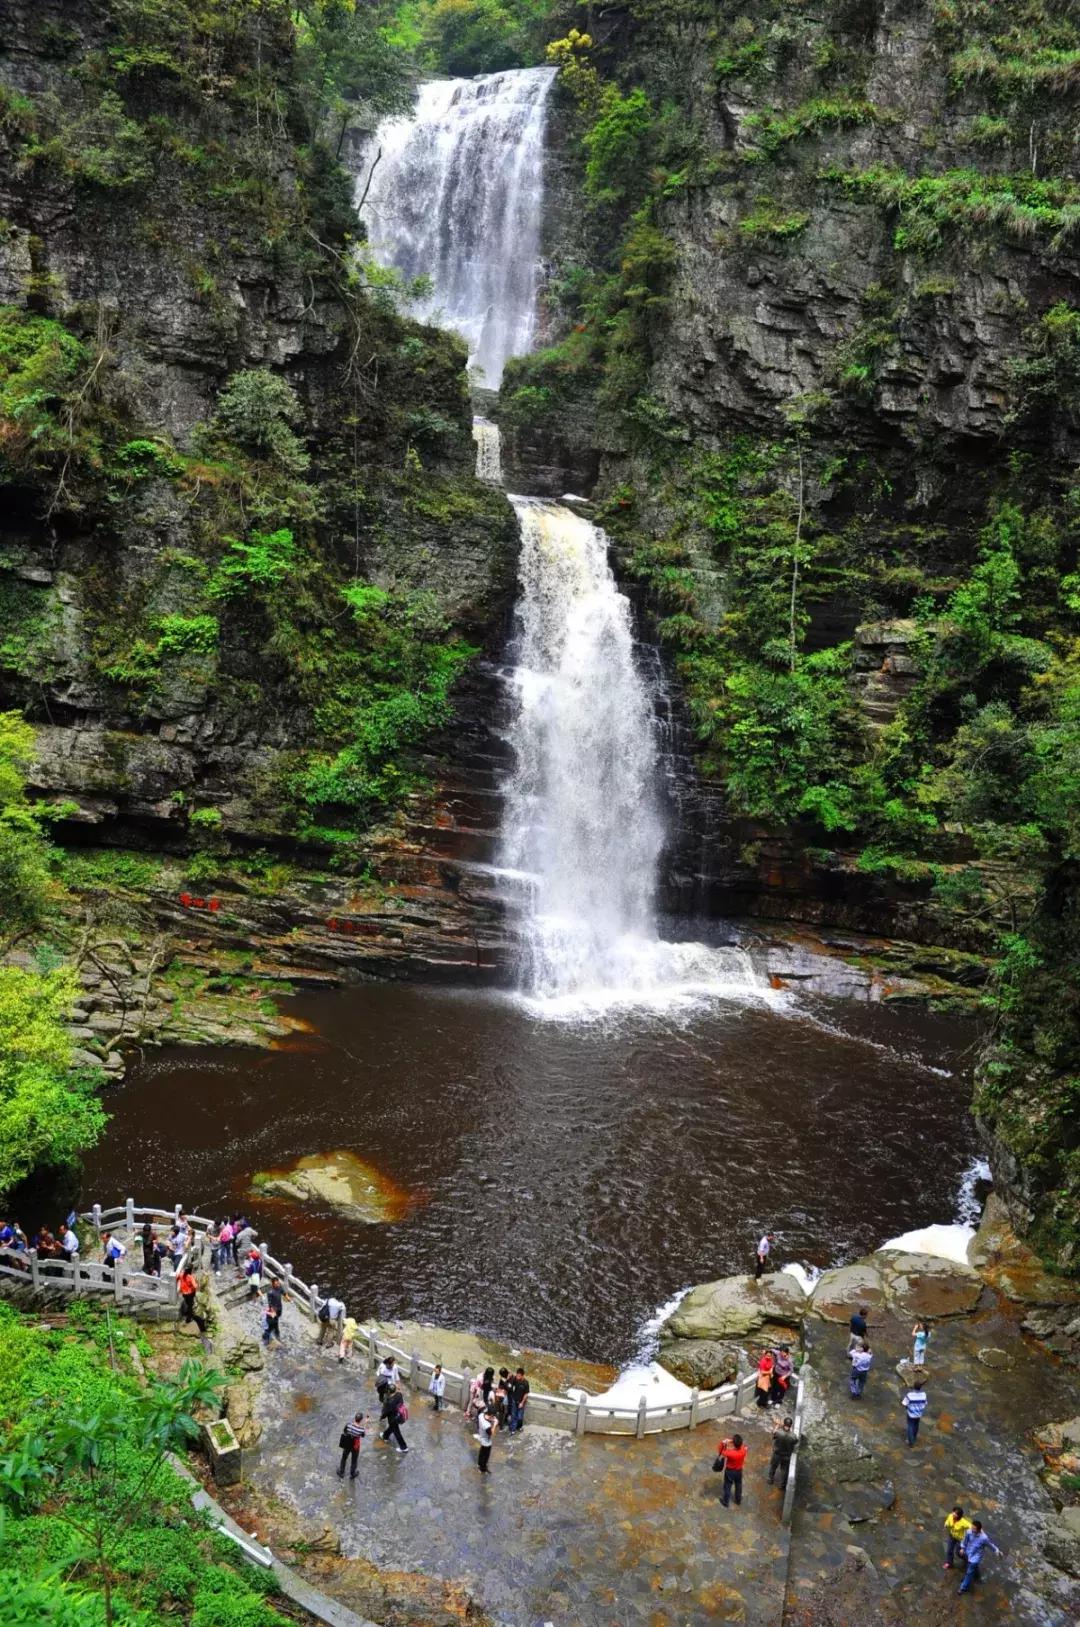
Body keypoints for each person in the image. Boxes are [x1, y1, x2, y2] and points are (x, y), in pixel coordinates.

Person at [958, 1520, 1002, 1594]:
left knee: (969, 1572)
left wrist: (997, 1551)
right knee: (972, 1568)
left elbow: (990, 1545)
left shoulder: (984, 1538)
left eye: (974, 1528)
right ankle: (977, 1577)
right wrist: (962, 1548)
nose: (972, 1529)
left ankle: (963, 1588)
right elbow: (965, 1540)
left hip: (976, 1557)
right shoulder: (969, 1532)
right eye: (972, 1527)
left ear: (979, 1529)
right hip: (968, 1553)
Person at [717, 1433, 748, 1507]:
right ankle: (738, 1500)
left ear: (734, 1444)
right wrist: (733, 1441)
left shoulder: (730, 1453)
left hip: (730, 1472)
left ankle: (725, 1502)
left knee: (727, 1486)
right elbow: (743, 1446)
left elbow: (720, 1452)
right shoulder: (743, 1450)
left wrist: (723, 1442)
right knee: (738, 1486)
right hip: (739, 1471)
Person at [768, 1416, 797, 1486]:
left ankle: (770, 1480)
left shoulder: (779, 1432)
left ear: (784, 1424)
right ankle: (782, 1484)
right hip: (786, 1456)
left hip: (777, 1454)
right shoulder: (793, 1436)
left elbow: (773, 1433)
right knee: (784, 1469)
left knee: (773, 1467)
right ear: (790, 1426)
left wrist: (777, 1425)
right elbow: (795, 1442)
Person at [177, 1265, 207, 1332]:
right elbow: (195, 1286)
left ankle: (188, 1314)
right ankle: (188, 1319)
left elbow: (177, 1277)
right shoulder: (190, 1277)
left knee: (187, 1303)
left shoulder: (181, 1274)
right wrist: (196, 1284)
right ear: (190, 1270)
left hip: (184, 1293)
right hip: (190, 1293)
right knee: (190, 1305)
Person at [337, 1411, 366, 1479]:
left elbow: (344, 1431)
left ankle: (341, 1472)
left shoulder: (348, 1425)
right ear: (361, 1420)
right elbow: (363, 1435)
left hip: (347, 1444)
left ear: (355, 1418)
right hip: (355, 1446)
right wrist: (364, 1426)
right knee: (354, 1460)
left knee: (344, 1457)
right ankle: (352, 1474)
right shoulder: (361, 1430)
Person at [380, 1385, 409, 1452]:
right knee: (392, 1427)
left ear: (389, 1391)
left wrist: (382, 1417)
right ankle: (385, 1435)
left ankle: (404, 1447)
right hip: (399, 1415)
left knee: (396, 1432)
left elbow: (386, 1412)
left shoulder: (389, 1401)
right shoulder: (399, 1395)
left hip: (393, 1418)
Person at [943, 1505, 972, 1570]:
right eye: (954, 1512)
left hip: (960, 1539)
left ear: (959, 1516)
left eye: (956, 1513)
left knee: (958, 1553)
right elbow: (947, 1521)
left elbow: (971, 1526)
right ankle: (949, 1563)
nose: (953, 1514)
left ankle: (967, 1559)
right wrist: (946, 1524)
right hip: (952, 1536)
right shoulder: (950, 1516)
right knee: (949, 1550)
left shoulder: (963, 1521)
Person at [902, 1379, 928, 1445]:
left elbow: (904, 1403)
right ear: (921, 1387)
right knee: (916, 1425)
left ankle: (911, 1442)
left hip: (911, 1413)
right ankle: (914, 1437)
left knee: (910, 1426)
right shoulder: (924, 1395)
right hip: (919, 1413)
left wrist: (908, 1407)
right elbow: (925, 1403)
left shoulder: (910, 1395)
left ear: (914, 1386)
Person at [262, 1275, 285, 1344]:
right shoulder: (270, 1292)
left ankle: (275, 1335)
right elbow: (270, 1303)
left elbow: (283, 1293)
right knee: (270, 1326)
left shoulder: (280, 1288)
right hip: (272, 1311)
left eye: (278, 1283)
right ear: (272, 1284)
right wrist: (272, 1311)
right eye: (276, 1284)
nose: (278, 1285)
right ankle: (266, 1337)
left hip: (278, 1309)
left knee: (275, 1323)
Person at [476, 1403, 497, 1473]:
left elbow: (481, 1411)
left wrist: (491, 1419)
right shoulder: (486, 1425)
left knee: (482, 1452)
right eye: (493, 1415)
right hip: (486, 1441)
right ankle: (482, 1468)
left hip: (481, 1436)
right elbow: (491, 1433)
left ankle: (479, 1465)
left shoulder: (481, 1415)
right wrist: (495, 1424)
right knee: (485, 1455)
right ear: (491, 1415)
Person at [507, 1367, 529, 1434]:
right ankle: (513, 1429)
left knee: (520, 1417)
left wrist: (522, 1403)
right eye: (517, 1375)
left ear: (522, 1376)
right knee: (514, 1415)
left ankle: (519, 1426)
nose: (517, 1377)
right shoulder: (515, 1379)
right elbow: (509, 1385)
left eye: (519, 1376)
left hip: (521, 1402)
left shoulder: (525, 1383)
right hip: (514, 1400)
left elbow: (526, 1394)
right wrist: (508, 1378)